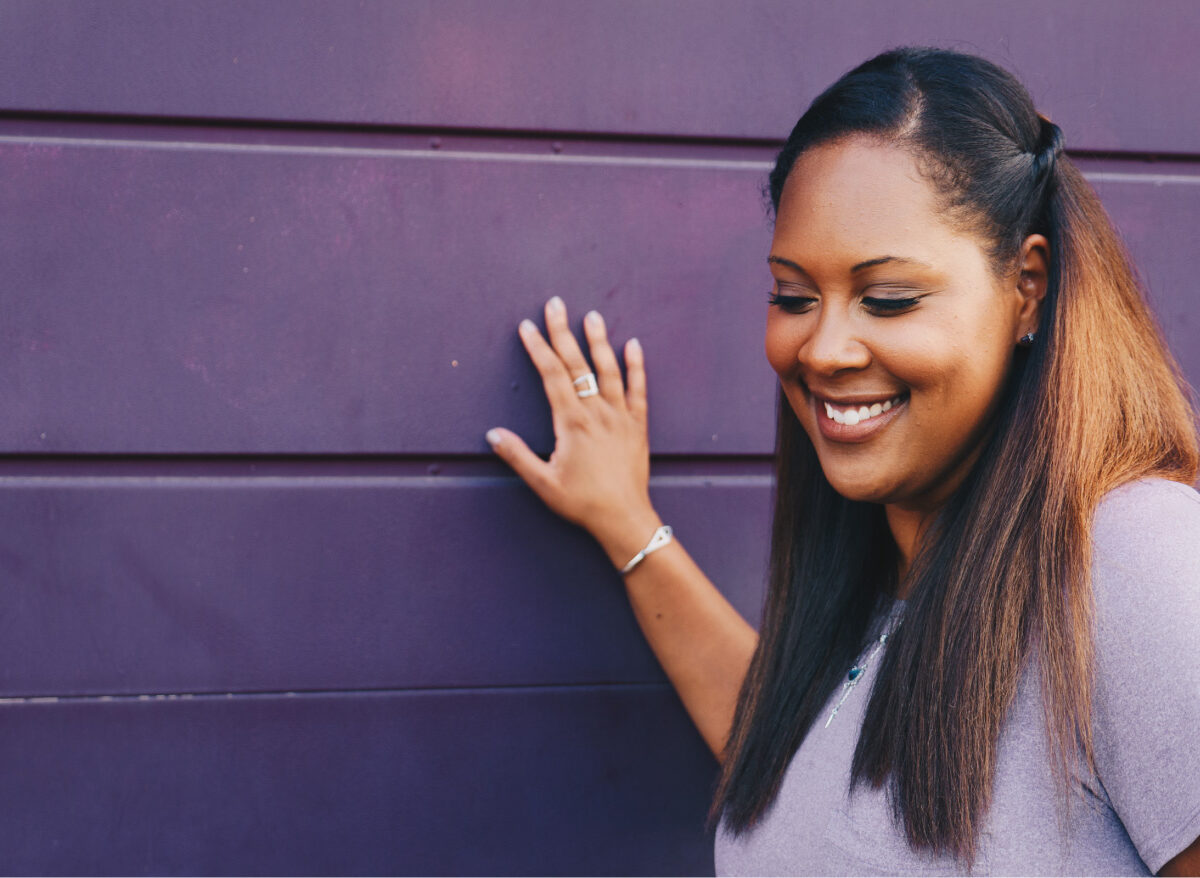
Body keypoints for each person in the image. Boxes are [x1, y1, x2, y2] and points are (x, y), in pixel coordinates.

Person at [484, 48, 1200, 875]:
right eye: (792, 296)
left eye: (888, 298)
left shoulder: (1131, 559)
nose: (821, 349)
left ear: (1026, 287)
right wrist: (626, 522)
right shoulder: (891, 563)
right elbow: (805, 779)